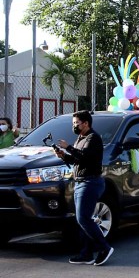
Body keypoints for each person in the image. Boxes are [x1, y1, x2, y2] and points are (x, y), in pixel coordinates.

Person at [54, 110, 114, 266]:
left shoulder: (93, 138)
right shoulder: (80, 139)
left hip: (90, 182)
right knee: (83, 219)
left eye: (76, 123)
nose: (74, 126)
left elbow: (84, 157)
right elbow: (76, 160)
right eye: (73, 123)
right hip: (80, 181)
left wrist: (68, 147)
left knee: (83, 218)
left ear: (86, 123)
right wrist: (63, 155)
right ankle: (86, 254)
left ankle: (104, 248)